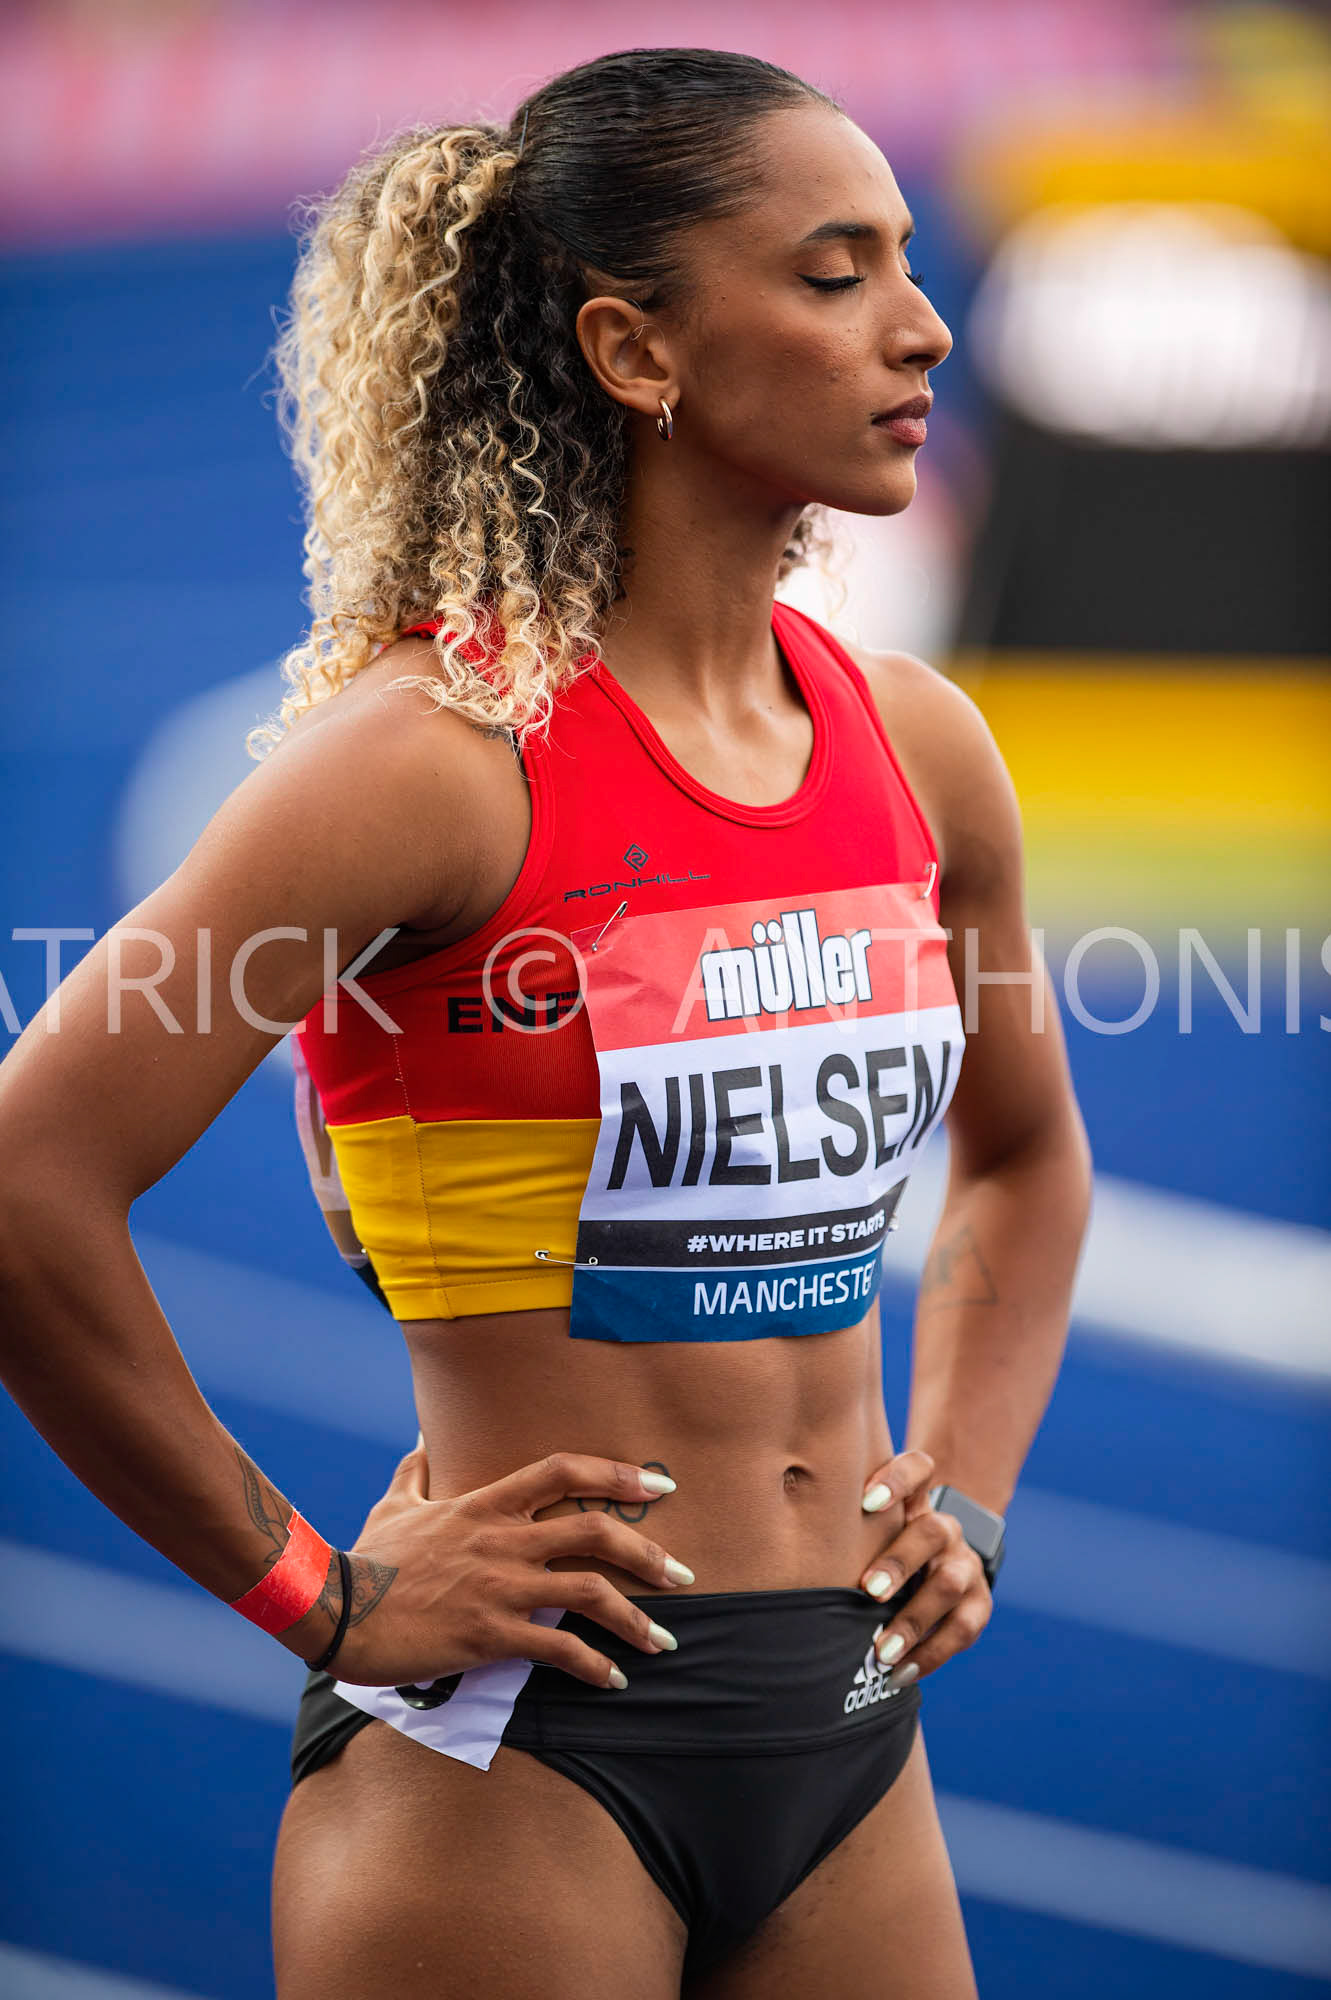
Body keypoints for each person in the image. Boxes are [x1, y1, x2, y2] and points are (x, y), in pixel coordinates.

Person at [0, 45, 1092, 2000]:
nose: (927, 327)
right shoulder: (430, 769)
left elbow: (1024, 1152)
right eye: (835, 275)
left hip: (851, 1731)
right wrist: (312, 1590)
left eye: (907, 263)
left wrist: (973, 1483)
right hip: (519, 1758)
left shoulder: (922, 747)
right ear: (636, 349)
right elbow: (25, 1180)